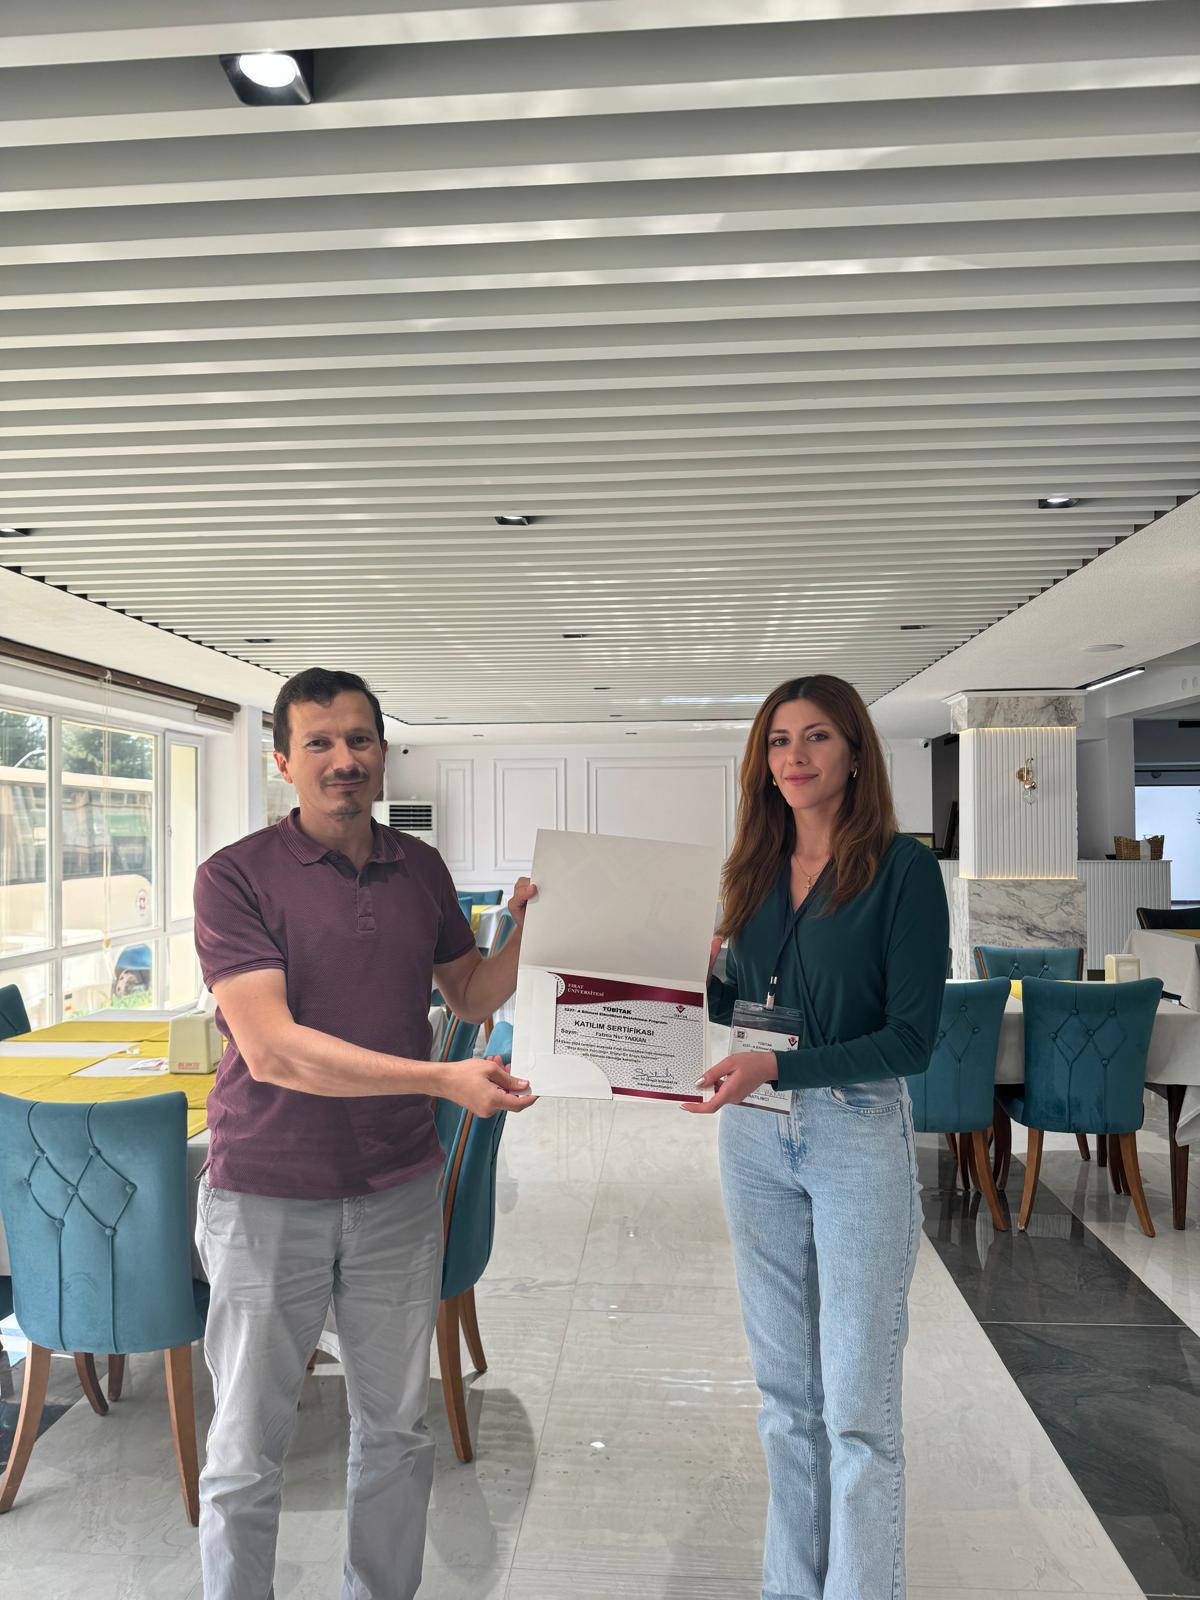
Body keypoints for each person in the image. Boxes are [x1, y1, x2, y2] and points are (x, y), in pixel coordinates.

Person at [192, 667, 536, 1600]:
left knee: (395, 1434)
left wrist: (528, 935)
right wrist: (439, 1079)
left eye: (360, 740)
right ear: (283, 761)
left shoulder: (419, 868)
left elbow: (469, 993)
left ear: (383, 751)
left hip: (396, 1191)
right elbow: (273, 1050)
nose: (343, 759)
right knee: (246, 1448)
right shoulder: (234, 877)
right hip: (267, 1192)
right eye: (319, 742)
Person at [688, 674, 948, 1600]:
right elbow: (730, 1004)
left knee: (858, 1409)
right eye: (777, 741)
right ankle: (792, 1587)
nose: (794, 757)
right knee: (784, 1398)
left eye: (816, 737)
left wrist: (777, 1067)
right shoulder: (750, 869)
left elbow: (912, 1040)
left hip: (854, 1131)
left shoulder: (902, 870)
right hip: (754, 1138)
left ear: (855, 753)